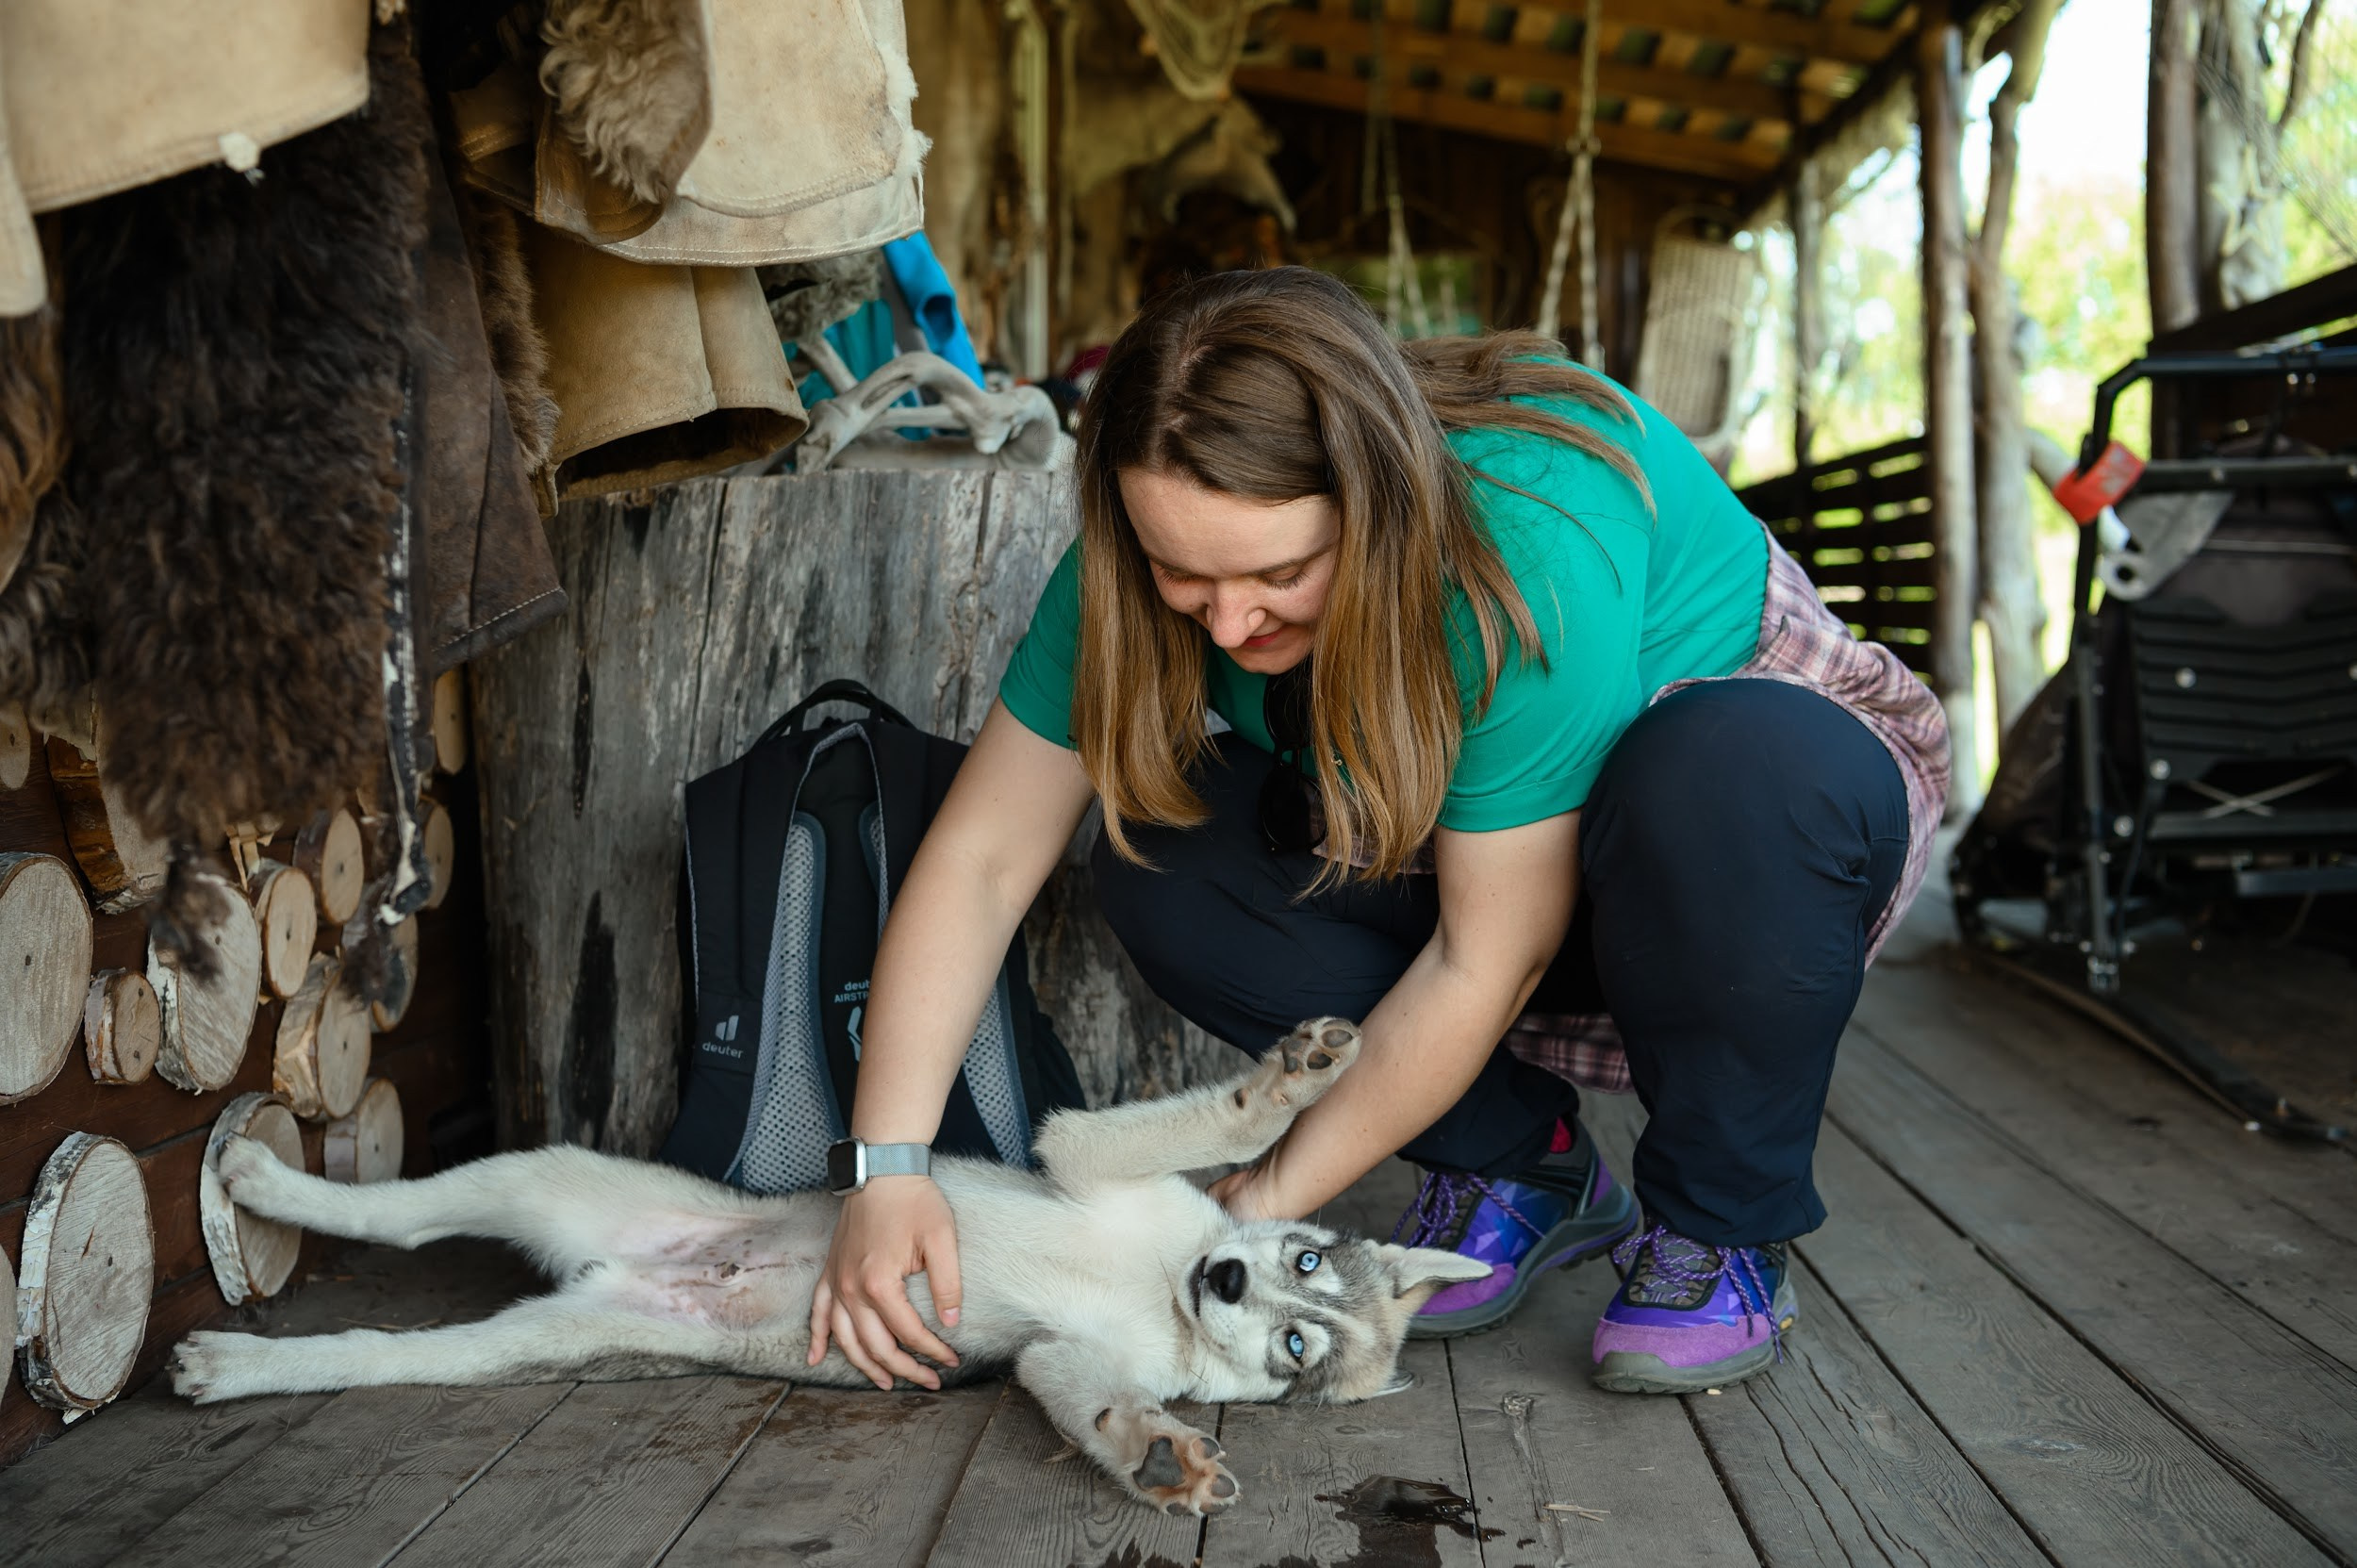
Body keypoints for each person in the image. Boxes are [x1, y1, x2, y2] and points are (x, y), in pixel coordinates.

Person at [806, 267, 1947, 1398]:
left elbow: (1488, 955)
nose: (1232, 620)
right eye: (1181, 578)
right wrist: (887, 1172)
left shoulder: (1530, 525)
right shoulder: (1134, 573)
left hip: (1742, 857)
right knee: (1167, 848)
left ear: (1376, 500)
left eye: (1279, 573)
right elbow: (983, 858)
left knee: (1725, 765)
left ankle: (1718, 1224)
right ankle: (1518, 1161)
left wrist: (1236, 1230)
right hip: (1473, 848)